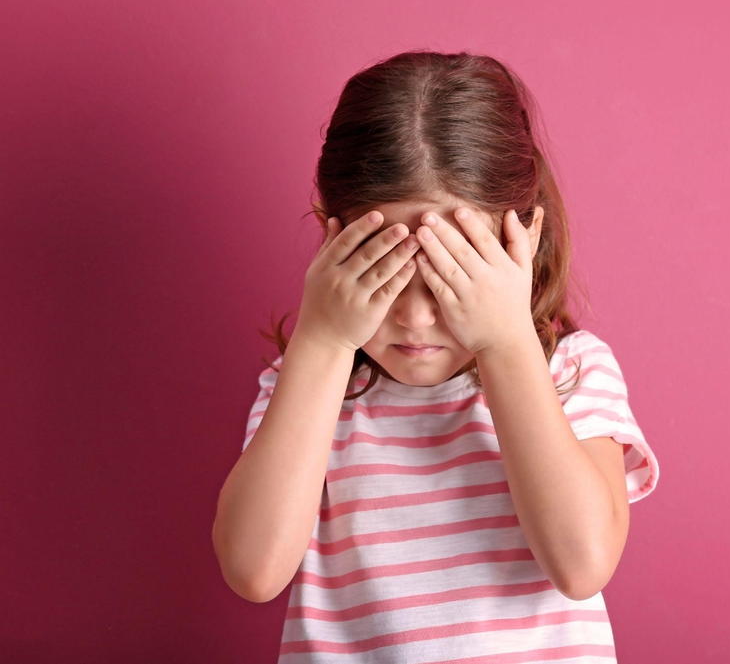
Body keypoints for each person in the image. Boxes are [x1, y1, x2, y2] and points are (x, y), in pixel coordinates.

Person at [211, 51, 661, 663]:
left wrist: (504, 341)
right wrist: (322, 342)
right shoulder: (311, 388)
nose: (417, 318)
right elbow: (253, 570)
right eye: (388, 275)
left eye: (453, 278)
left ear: (521, 240)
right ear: (331, 240)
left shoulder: (570, 372)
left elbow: (582, 566)